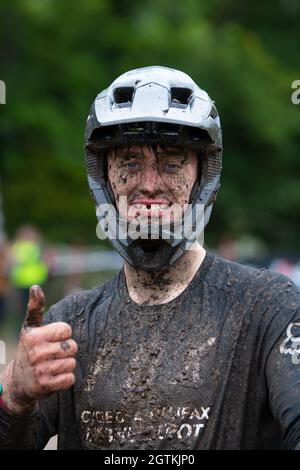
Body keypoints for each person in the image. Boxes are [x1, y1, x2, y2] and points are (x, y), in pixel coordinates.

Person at [0, 66, 300, 450]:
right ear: (104, 178)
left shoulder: (267, 307)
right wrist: (15, 401)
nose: (150, 184)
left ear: (202, 176)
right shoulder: (67, 328)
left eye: (172, 164)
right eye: (129, 163)